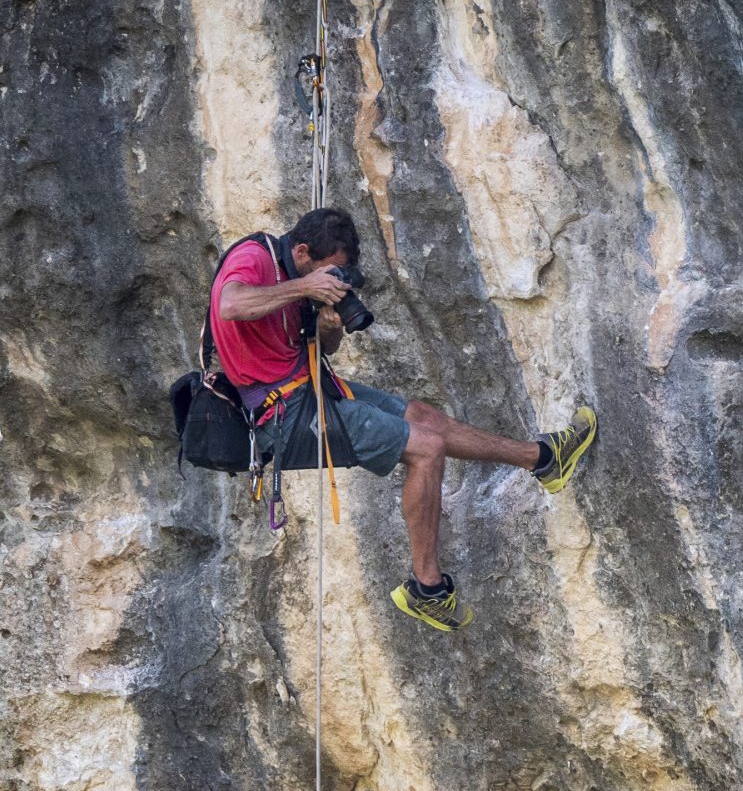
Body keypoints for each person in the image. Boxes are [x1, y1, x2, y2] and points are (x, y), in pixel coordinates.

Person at [207, 206, 597, 634]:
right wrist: (306, 286)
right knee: (426, 449)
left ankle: (543, 459)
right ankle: (426, 589)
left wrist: (329, 322)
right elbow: (230, 304)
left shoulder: (299, 278)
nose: (332, 281)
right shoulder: (255, 258)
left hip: (310, 388)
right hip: (281, 417)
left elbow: (326, 349)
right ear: (301, 251)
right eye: (329, 272)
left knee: (425, 418)